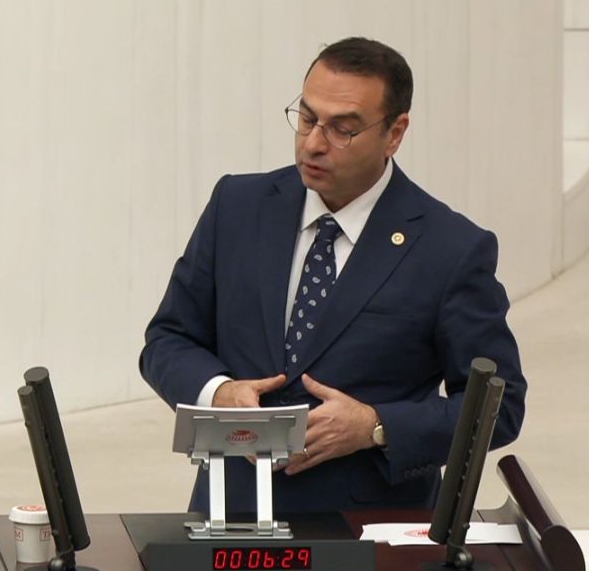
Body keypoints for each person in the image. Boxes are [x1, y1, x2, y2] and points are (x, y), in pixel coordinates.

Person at [140, 37, 526, 514]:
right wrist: (218, 392)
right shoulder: (237, 207)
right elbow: (168, 339)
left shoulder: (450, 249)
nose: (314, 143)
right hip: (232, 517)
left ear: (395, 133)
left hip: (370, 530)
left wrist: (376, 426)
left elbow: (499, 405)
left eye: (343, 130)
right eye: (306, 118)